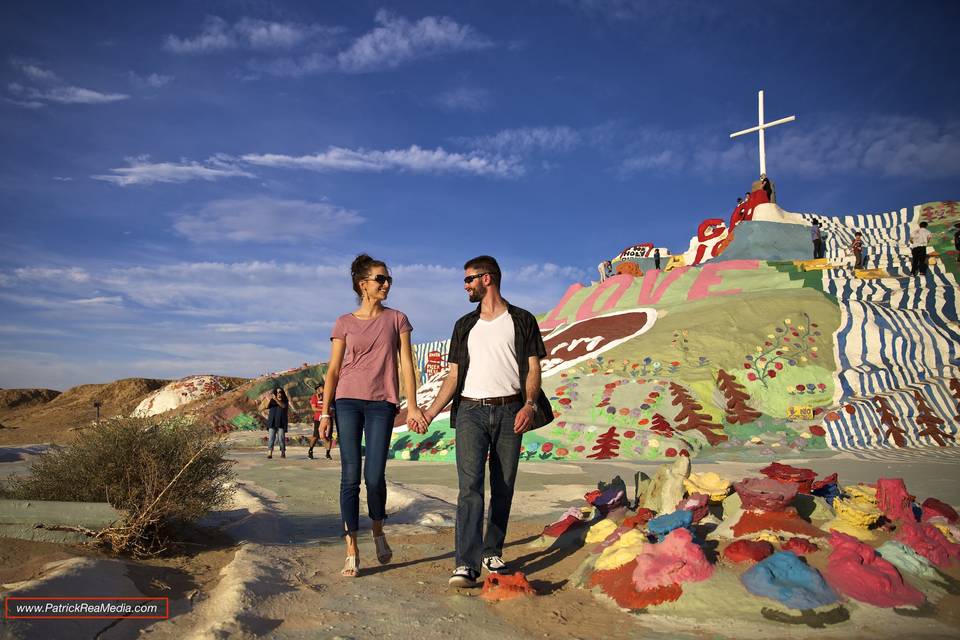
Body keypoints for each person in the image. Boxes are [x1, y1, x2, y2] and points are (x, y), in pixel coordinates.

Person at [418, 255, 553, 588]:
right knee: (470, 489)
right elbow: (453, 376)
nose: (465, 286)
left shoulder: (522, 319)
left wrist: (530, 405)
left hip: (511, 410)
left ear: (487, 278)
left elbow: (533, 368)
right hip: (470, 412)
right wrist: (431, 412)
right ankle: (465, 563)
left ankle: (493, 550)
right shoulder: (464, 325)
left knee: (503, 486)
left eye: (469, 279)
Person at [321, 254, 427, 578]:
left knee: (375, 476)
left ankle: (377, 529)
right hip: (347, 401)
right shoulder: (344, 322)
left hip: (382, 402)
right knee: (350, 476)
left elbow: (406, 364)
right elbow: (334, 369)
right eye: (380, 279)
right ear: (362, 284)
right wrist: (325, 413)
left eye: (388, 279)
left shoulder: (397, 319)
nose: (386, 284)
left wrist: (414, 405)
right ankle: (351, 544)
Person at [259, 386, 295, 459]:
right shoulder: (272, 400)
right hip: (272, 422)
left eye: (280, 392)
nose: (279, 393)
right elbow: (266, 406)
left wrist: (275, 399)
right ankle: (270, 453)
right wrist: (268, 399)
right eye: (277, 392)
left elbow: (283, 406)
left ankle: (283, 452)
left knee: (281, 438)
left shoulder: (285, 400)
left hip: (281, 422)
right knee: (271, 438)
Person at [308, 384, 333, 459]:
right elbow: (314, 408)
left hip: (328, 418)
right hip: (318, 419)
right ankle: (310, 450)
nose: (318, 390)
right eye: (317, 389)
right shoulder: (314, 397)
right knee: (315, 436)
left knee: (328, 436)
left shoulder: (329, 395)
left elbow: (331, 408)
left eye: (320, 388)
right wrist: (324, 410)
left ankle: (328, 453)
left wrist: (326, 410)